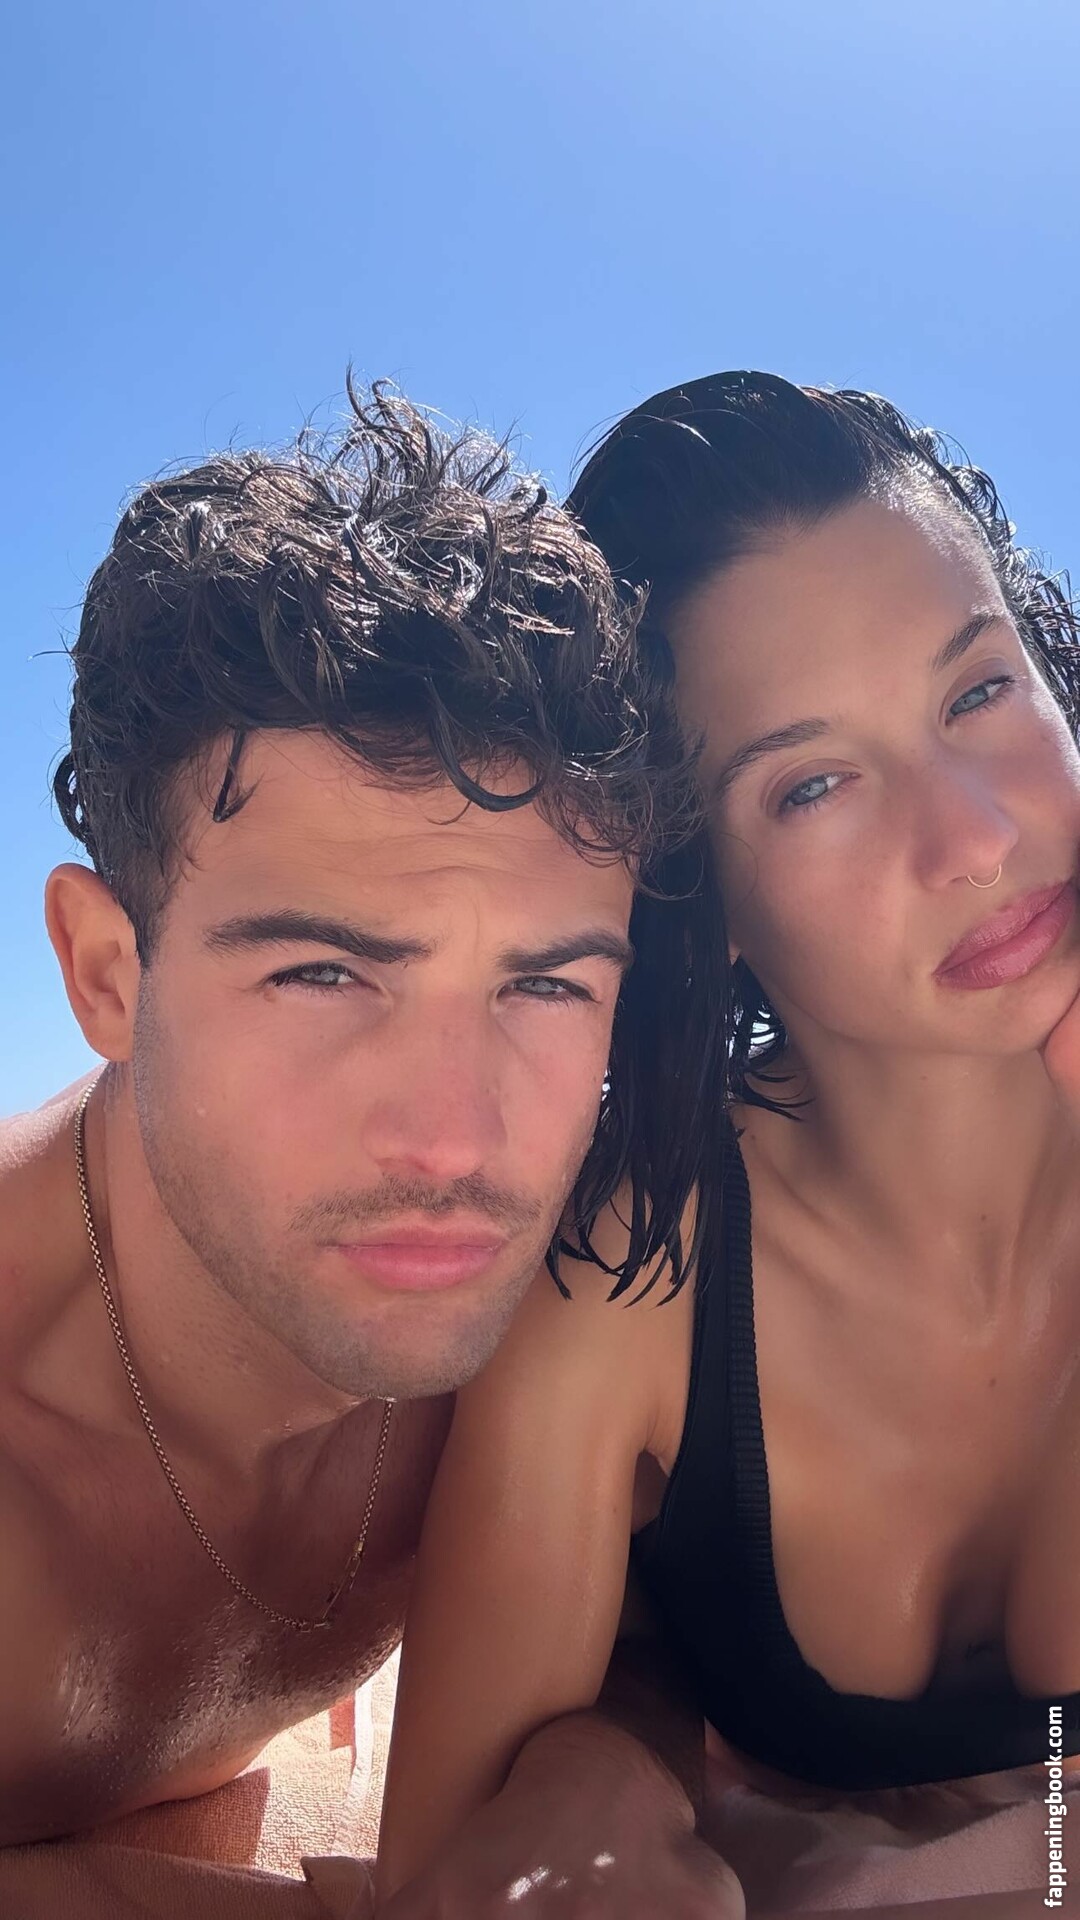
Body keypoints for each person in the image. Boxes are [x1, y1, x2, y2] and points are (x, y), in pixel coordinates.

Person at [0, 378, 726, 1904]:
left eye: (545, 986)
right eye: (325, 975)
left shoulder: (570, 1321)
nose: (454, 1139)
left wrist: (606, 1766)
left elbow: (673, 1630)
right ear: (106, 976)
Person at [375, 371, 1080, 1908]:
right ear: (702, 892)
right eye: (813, 785)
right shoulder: (631, 1287)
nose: (973, 838)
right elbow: (455, 1882)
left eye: (978, 691)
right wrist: (608, 1761)